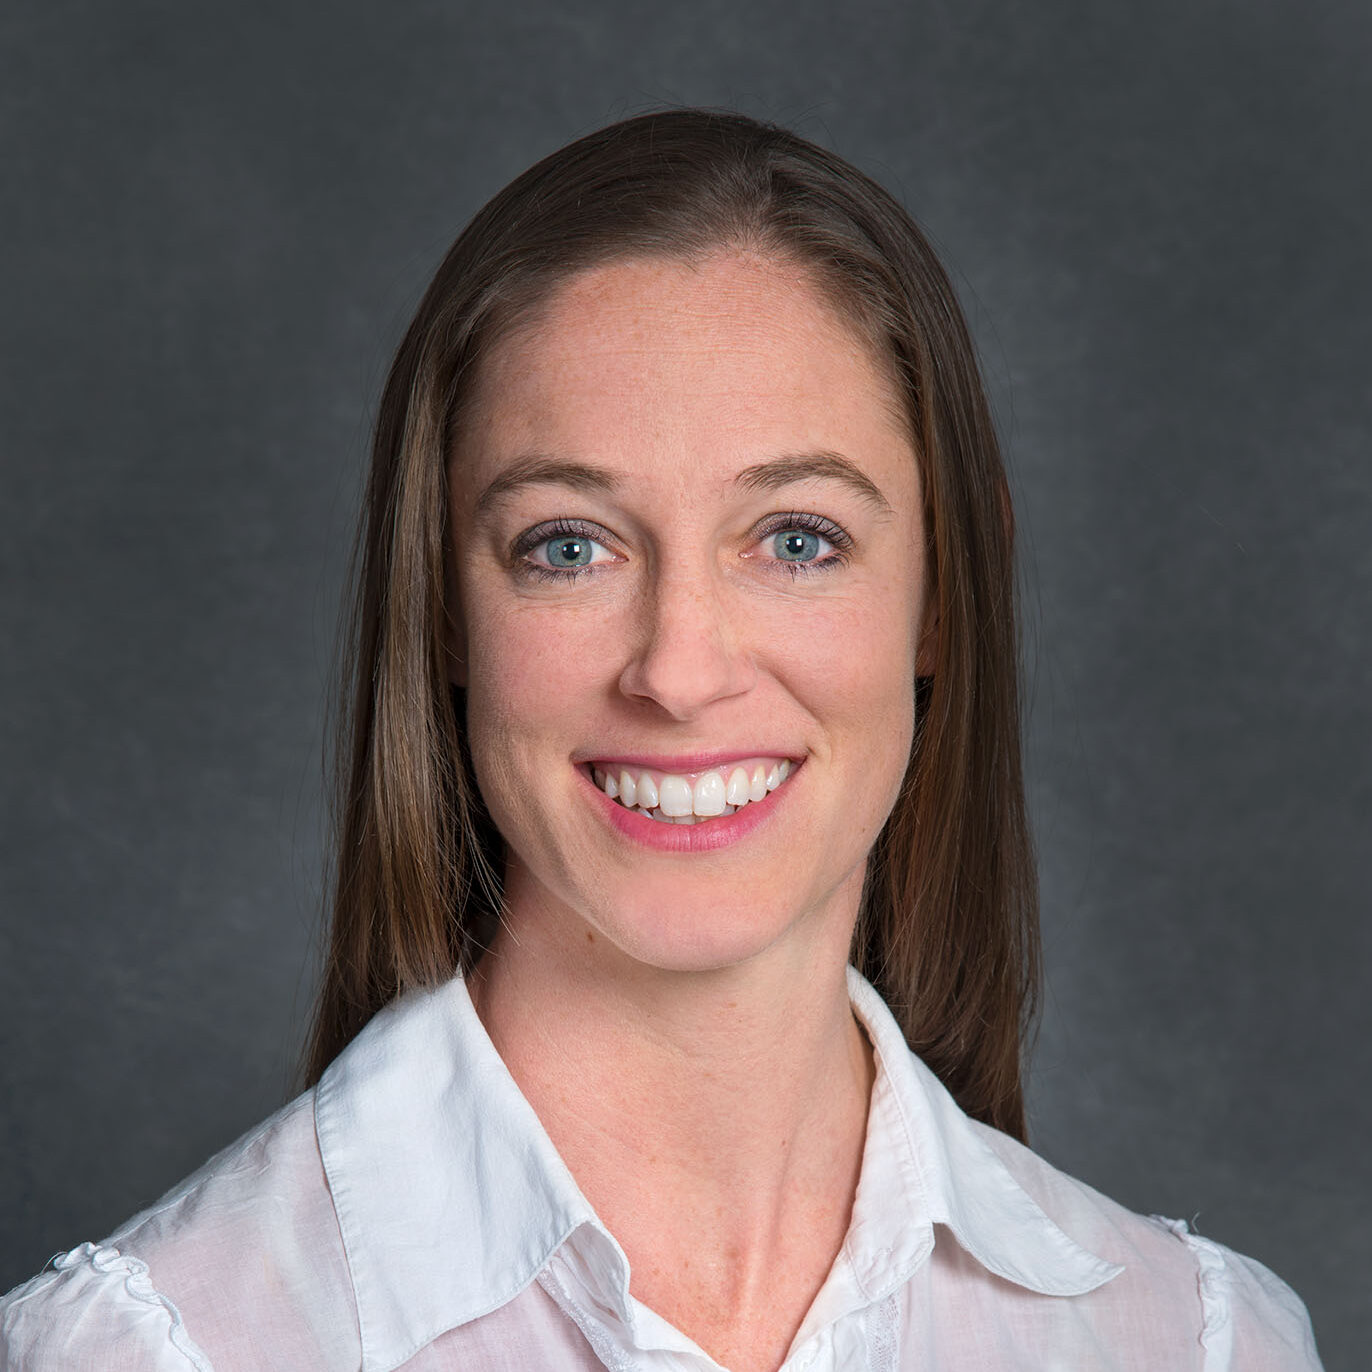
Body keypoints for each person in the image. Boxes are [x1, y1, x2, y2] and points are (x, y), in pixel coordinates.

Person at [0, 109, 1322, 1372]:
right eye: (569, 547)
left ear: (948, 588)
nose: (679, 672)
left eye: (797, 541)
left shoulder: (1205, 1343)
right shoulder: (142, 1353)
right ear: (446, 611)